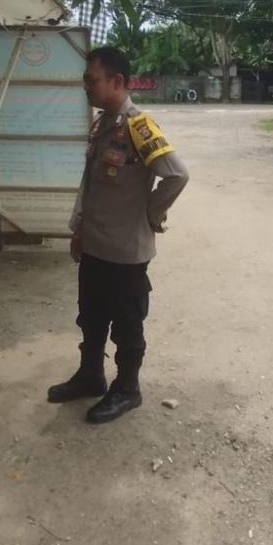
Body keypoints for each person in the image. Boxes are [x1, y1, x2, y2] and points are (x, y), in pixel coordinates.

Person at [48, 47, 191, 423]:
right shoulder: (102, 124)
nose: (85, 86)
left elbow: (177, 175)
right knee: (91, 316)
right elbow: (91, 184)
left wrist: (150, 213)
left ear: (117, 81)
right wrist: (79, 227)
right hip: (95, 244)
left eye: (91, 80)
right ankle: (90, 376)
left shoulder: (138, 125)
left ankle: (127, 389)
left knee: (127, 324)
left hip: (126, 251)